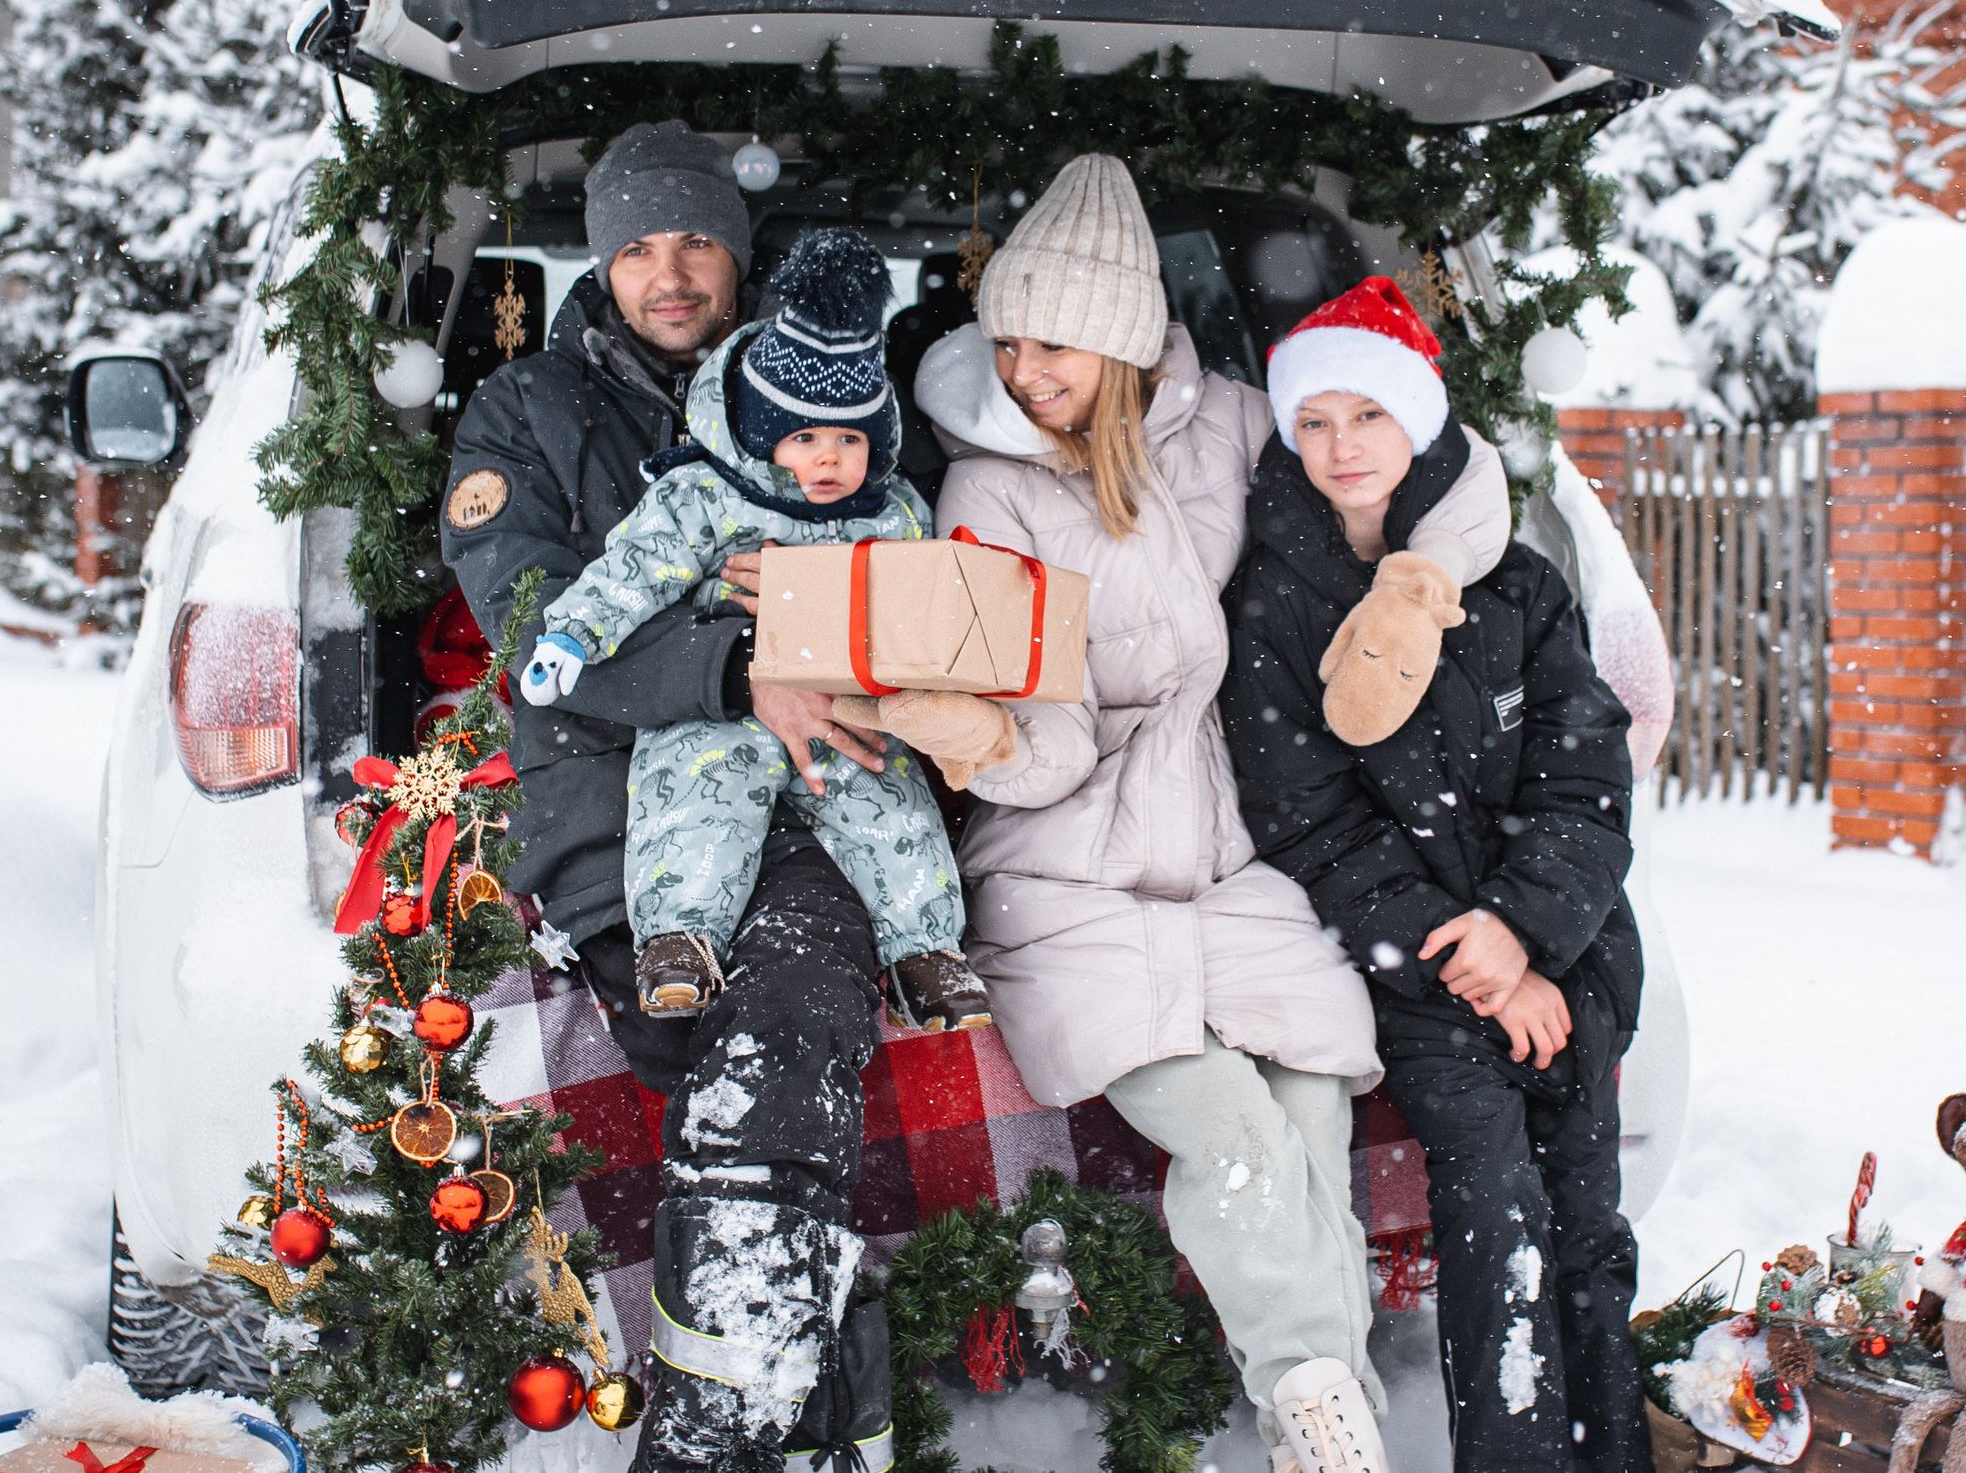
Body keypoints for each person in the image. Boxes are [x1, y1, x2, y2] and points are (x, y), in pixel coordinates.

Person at [842, 154, 1511, 1473]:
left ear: (1129, 338)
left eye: (1059, 344)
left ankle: (1322, 1397)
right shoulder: (989, 487)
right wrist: (970, 728)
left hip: (1230, 837)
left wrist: (1415, 578)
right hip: (1059, 856)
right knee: (1230, 1120)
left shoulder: (1245, 423)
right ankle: (1321, 1399)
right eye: (1013, 339)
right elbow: (1040, 754)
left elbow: (1445, 464)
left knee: (1316, 1084)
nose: (1029, 369)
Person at [441, 122, 894, 1473]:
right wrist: (737, 659)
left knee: (800, 1009)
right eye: (637, 246)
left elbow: (903, 574)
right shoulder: (524, 411)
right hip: (610, 812)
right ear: (601, 262)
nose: (671, 271)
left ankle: (714, 1437)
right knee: (731, 1066)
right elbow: (537, 629)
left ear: (739, 251)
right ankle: (816, 1424)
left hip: (807, 795)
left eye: (697, 238)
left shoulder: (825, 405)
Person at [1215, 276, 1651, 1473]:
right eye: (1312, 422)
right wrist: (1473, 960)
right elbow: (1309, 822)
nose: (1340, 447)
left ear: (1418, 421)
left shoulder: (1511, 581)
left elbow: (1587, 773)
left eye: (1366, 416)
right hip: (1425, 976)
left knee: (1585, 1225)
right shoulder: (1276, 605)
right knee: (1495, 1222)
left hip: (1568, 954)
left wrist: (1526, 929)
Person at [517, 228, 988, 1030]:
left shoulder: (893, 509)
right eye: (804, 436)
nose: (829, 457)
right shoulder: (706, 494)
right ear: (765, 431)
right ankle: (678, 942)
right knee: (696, 801)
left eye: (848, 437)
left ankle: (926, 955)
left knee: (893, 810)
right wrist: (571, 636)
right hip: (722, 702)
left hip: (844, 704)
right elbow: (635, 568)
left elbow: (929, 602)